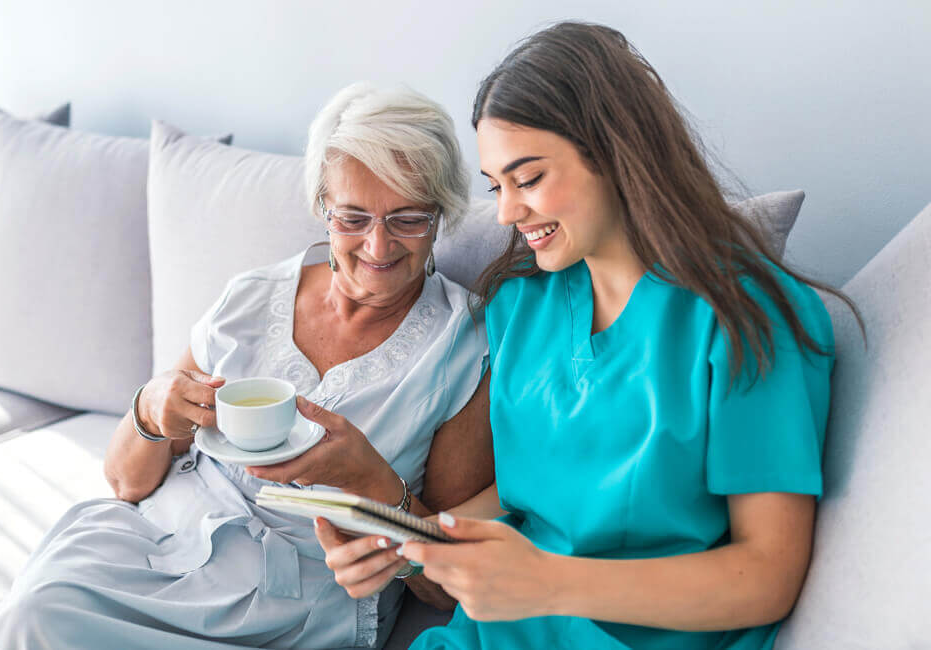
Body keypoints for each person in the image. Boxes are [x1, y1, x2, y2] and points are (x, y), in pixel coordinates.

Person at [316, 22, 859, 650]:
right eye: (497, 186)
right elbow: (524, 497)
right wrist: (407, 544)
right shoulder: (520, 306)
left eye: (529, 178)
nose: (507, 214)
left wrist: (550, 583)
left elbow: (766, 575)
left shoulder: (748, 317)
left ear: (614, 153)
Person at [0, 82, 493, 650]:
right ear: (322, 207)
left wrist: (372, 483)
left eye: (408, 218)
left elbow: (449, 588)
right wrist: (150, 407)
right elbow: (123, 482)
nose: (379, 247)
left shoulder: (460, 348)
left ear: (442, 214)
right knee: (41, 608)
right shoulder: (250, 298)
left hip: (290, 602)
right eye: (353, 218)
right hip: (159, 543)